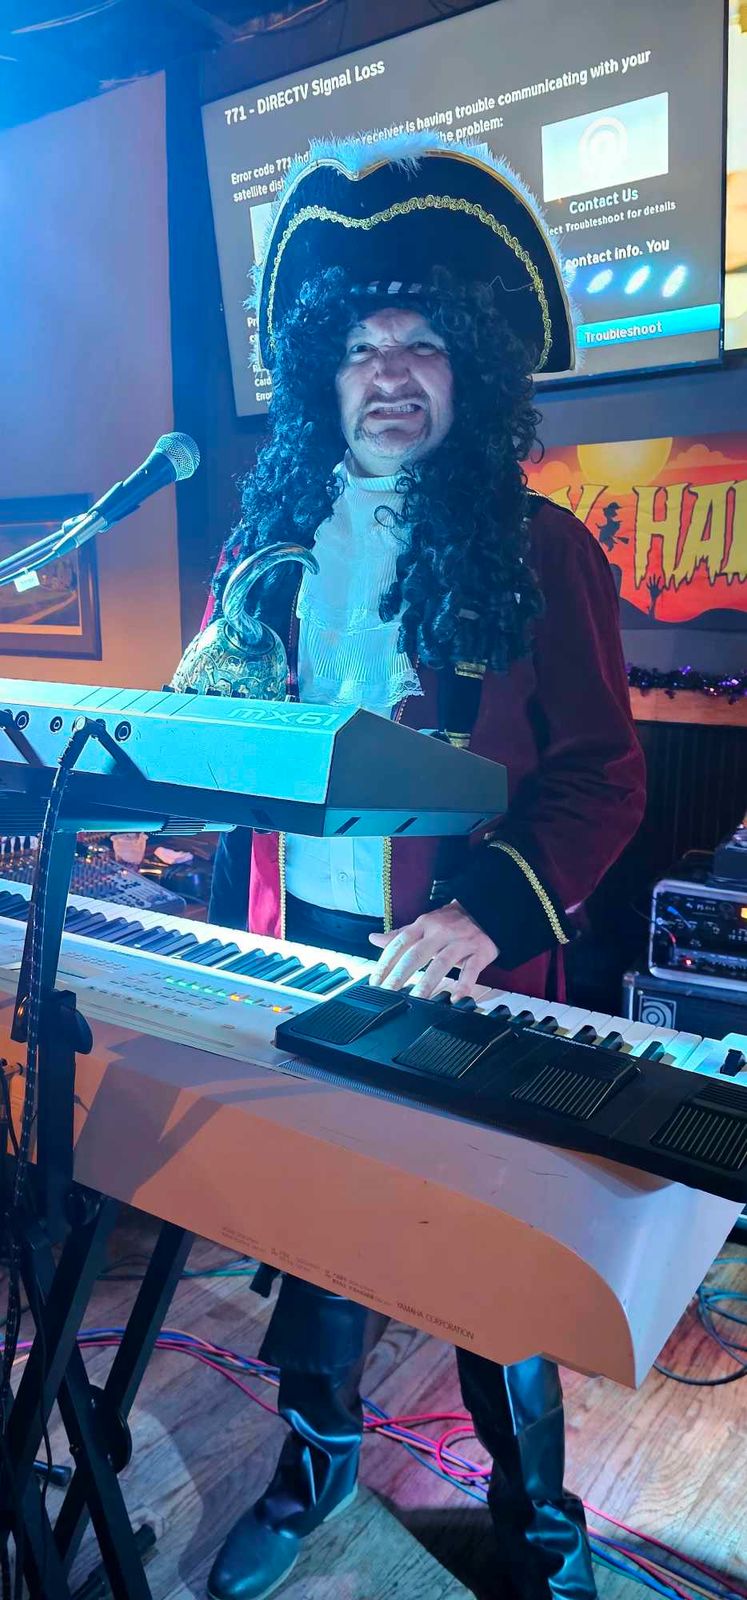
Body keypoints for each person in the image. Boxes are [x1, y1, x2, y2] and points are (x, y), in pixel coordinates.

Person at [204, 136, 646, 1600]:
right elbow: (224, 740)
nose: (389, 375)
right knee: (310, 1222)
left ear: (471, 370)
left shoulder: (540, 548)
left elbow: (603, 775)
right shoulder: (263, 552)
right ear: (320, 376)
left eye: (422, 345)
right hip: (299, 949)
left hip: (466, 963)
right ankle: (315, 1464)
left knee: (490, 1262)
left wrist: (480, 916)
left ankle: (539, 1528)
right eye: (360, 350)